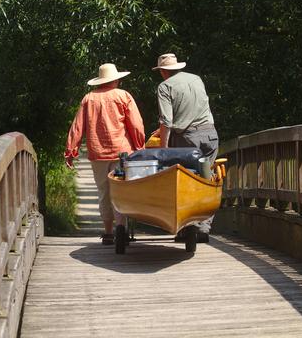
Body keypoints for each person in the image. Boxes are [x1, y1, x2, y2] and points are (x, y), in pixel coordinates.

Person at [65, 63, 145, 245]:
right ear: (115, 79)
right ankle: (121, 228)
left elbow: (78, 126)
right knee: (121, 190)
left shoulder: (88, 99)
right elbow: (136, 124)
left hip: (98, 154)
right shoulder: (123, 96)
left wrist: (71, 150)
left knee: (104, 192)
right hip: (121, 154)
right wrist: (139, 146)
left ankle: (108, 232)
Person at [152, 53, 219, 241]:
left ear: (163, 71)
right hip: (210, 135)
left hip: (188, 140)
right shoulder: (196, 79)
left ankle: (188, 229)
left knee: (186, 182)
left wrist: (163, 149)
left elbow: (166, 121)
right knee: (207, 179)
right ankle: (203, 227)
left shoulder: (165, 86)